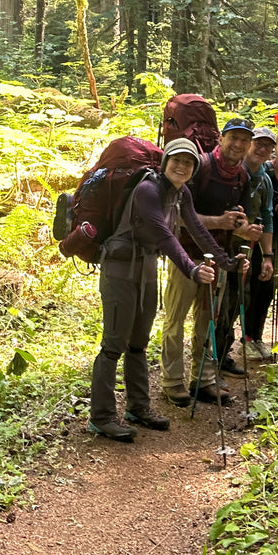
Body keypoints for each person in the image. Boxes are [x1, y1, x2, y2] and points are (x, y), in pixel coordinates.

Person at [89, 138, 239, 442]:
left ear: (194, 168)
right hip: (119, 266)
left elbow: (196, 229)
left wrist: (228, 262)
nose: (182, 166)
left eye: (188, 162)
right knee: (114, 344)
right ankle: (102, 417)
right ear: (165, 161)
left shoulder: (181, 193)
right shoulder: (148, 190)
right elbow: (165, 237)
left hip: (144, 265)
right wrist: (192, 270)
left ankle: (138, 407)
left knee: (138, 341)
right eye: (177, 160)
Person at [161, 117, 259, 407]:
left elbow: (235, 221)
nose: (238, 145)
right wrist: (219, 221)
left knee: (207, 322)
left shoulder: (241, 176)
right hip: (185, 255)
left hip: (219, 258)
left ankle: (202, 379)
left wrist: (240, 229)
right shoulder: (200, 166)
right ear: (221, 138)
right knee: (175, 321)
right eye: (234, 138)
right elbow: (174, 214)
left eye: (244, 140)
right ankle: (172, 381)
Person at [243, 127, 278, 360]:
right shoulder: (263, 169)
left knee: (268, 287)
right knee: (252, 287)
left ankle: (257, 337)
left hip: (276, 236)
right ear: (276, 147)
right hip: (257, 234)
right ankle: (246, 338)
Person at [236, 127, 276, 362]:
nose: (261, 149)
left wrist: (268, 256)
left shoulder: (264, 180)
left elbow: (267, 215)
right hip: (227, 243)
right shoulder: (233, 171)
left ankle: (245, 341)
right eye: (257, 144)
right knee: (230, 298)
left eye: (267, 146)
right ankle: (216, 352)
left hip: (249, 244)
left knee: (248, 293)